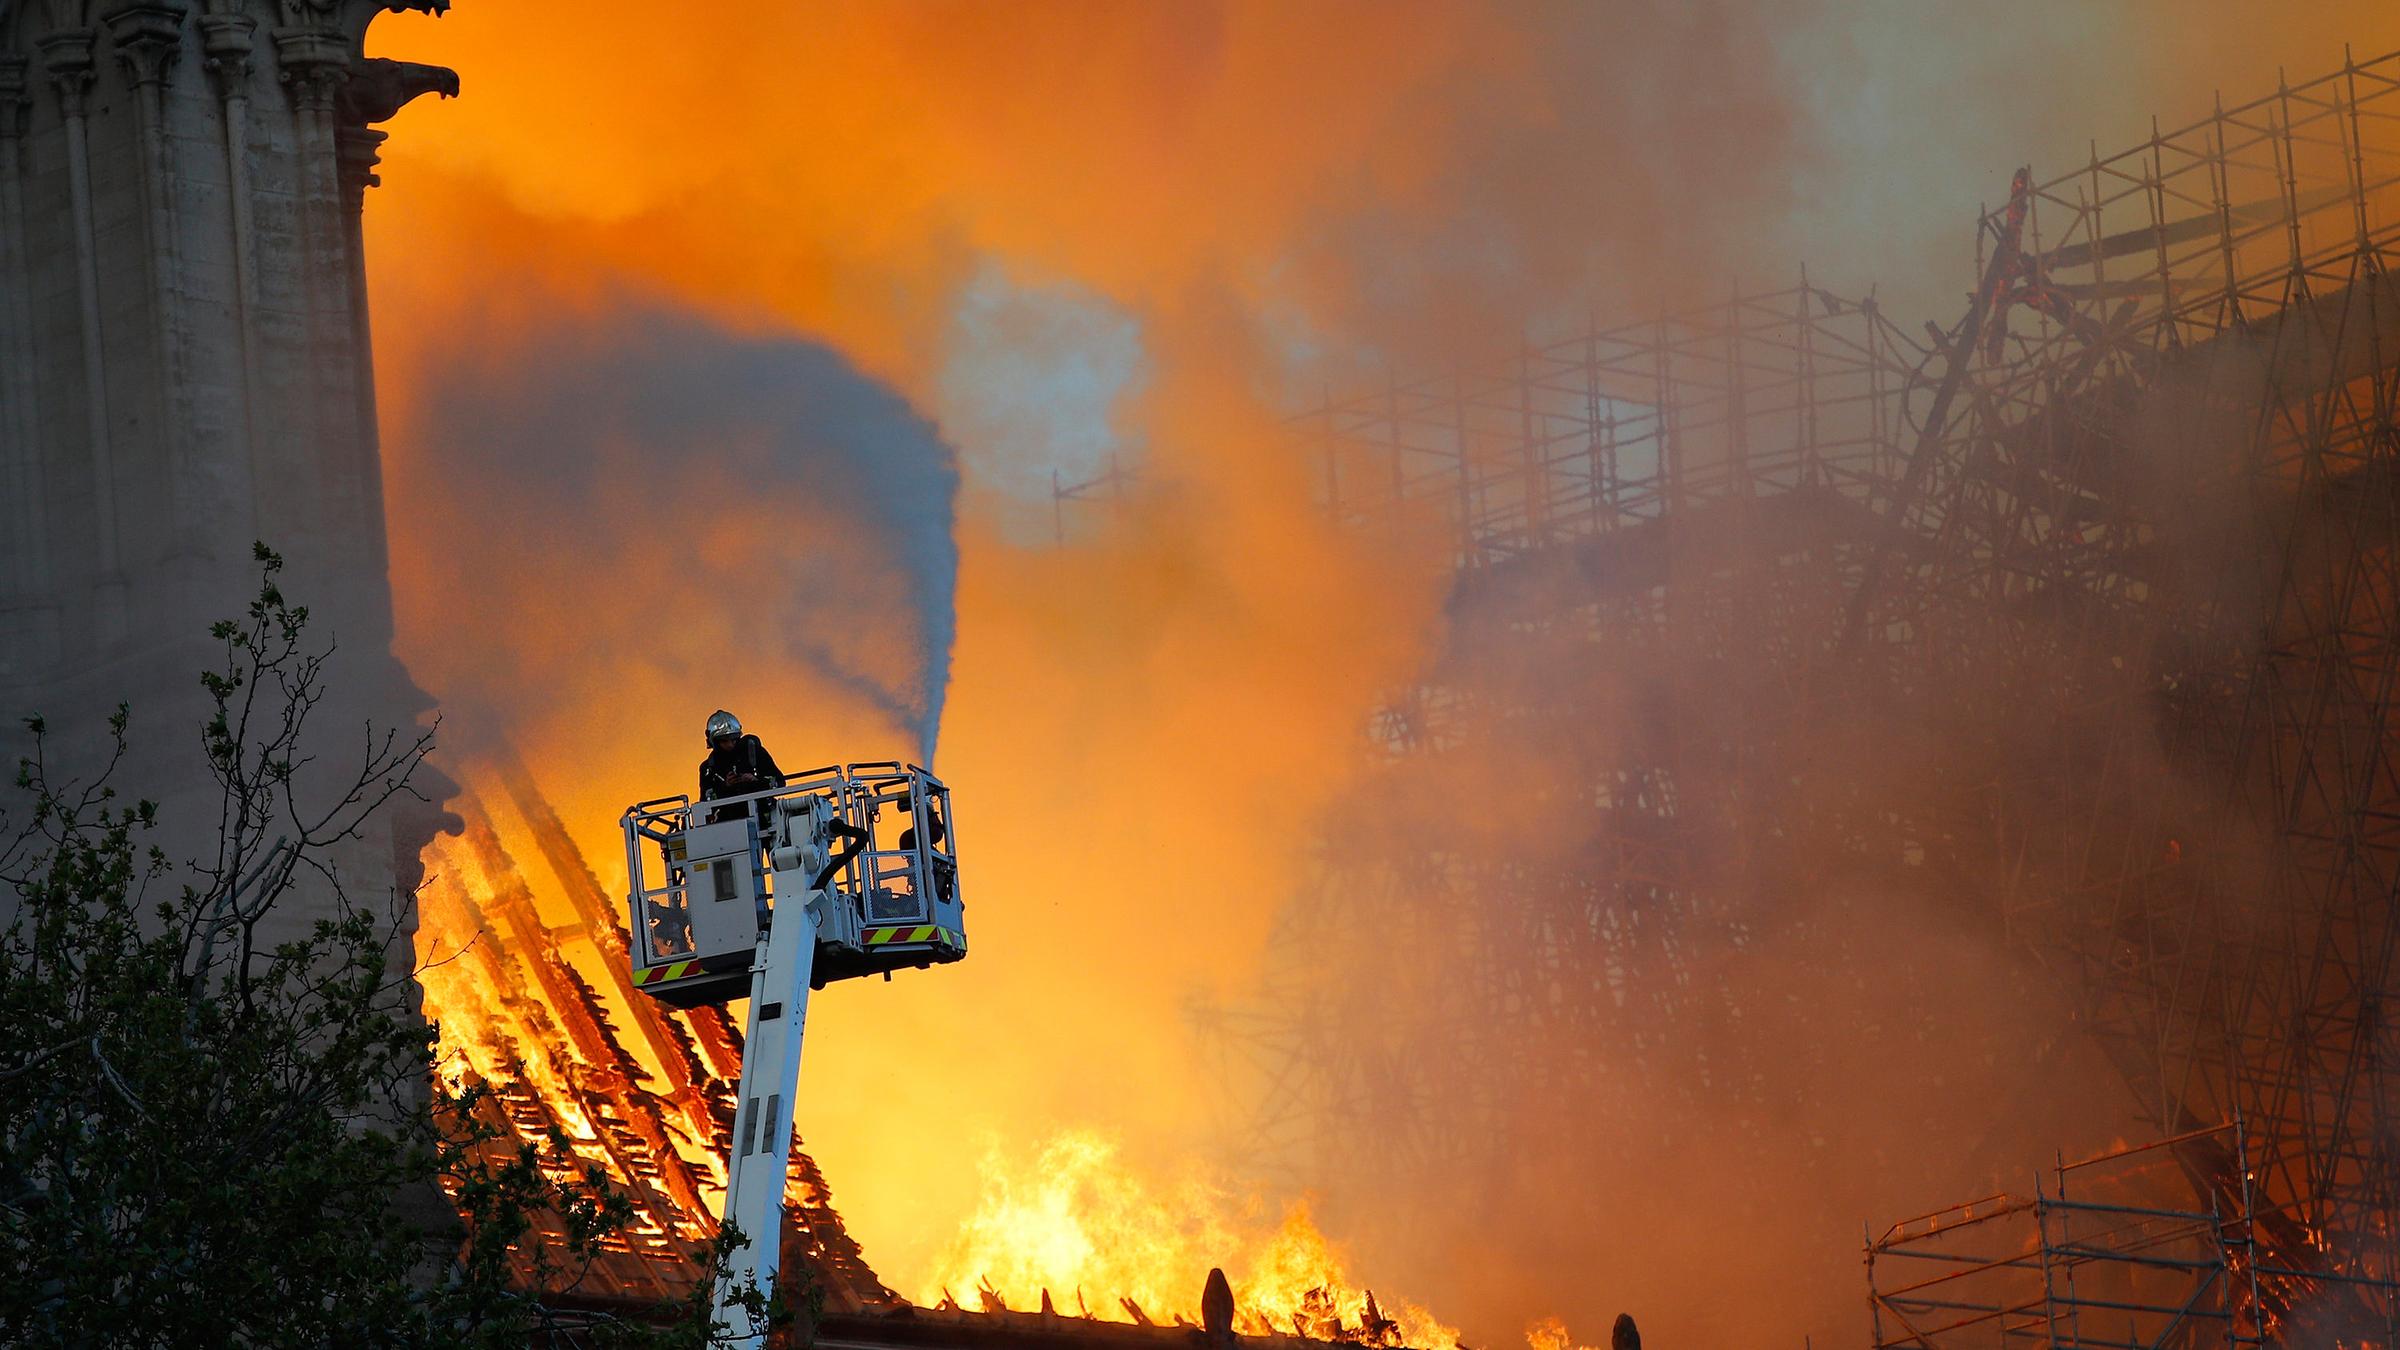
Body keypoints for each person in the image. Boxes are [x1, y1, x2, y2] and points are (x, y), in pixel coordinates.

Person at [698, 709, 784, 804]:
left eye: (733, 739)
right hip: (728, 817)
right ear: (714, 741)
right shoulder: (708, 769)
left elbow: (780, 782)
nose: (730, 744)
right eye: (724, 741)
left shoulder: (755, 753)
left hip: (762, 814)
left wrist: (755, 781)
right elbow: (705, 802)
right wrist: (725, 786)